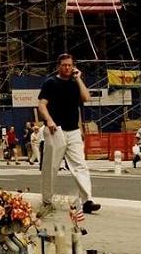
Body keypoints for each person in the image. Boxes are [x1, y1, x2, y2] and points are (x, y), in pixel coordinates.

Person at [37, 53, 100, 217]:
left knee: (80, 165)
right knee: (51, 167)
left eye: (70, 65)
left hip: (73, 130)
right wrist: (49, 121)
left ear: (74, 67)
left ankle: (87, 201)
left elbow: (86, 98)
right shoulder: (50, 82)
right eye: (64, 65)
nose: (67, 68)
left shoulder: (74, 84)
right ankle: (47, 201)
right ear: (59, 65)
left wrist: (79, 79)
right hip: (55, 130)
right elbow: (41, 105)